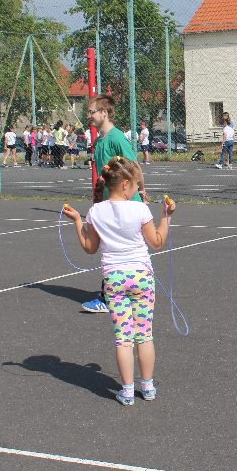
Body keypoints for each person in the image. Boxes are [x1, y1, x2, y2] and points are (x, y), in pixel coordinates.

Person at [62, 156, 173, 405]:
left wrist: (78, 220)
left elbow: (90, 247)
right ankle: (148, 387)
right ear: (124, 184)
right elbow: (156, 242)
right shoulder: (139, 209)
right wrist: (166, 216)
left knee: (124, 337)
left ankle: (127, 390)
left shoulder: (96, 211)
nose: (138, 189)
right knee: (144, 334)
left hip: (114, 278)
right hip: (141, 277)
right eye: (136, 185)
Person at [81, 94, 148, 313]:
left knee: (118, 250)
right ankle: (123, 292)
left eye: (92, 112)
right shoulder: (99, 141)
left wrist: (141, 190)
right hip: (111, 204)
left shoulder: (116, 137)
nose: (89, 116)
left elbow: (133, 166)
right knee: (113, 248)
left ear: (104, 113)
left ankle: (111, 297)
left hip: (125, 203)